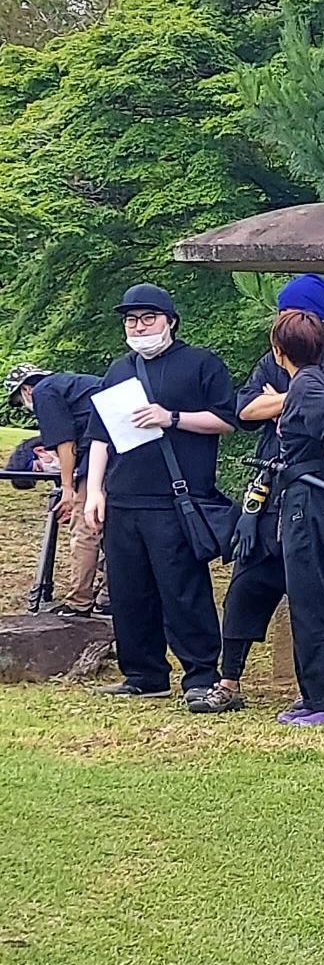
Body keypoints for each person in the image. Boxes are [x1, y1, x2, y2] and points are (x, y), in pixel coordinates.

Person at [211, 276, 324, 715]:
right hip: (274, 490)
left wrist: (309, 421)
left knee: (320, 594)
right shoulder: (294, 368)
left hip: (318, 491)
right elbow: (246, 410)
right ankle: (230, 679)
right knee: (249, 584)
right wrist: (296, 397)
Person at [80, 283, 236, 706]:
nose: (139, 326)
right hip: (124, 497)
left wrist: (173, 417)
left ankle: (202, 673)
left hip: (175, 499)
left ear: (170, 321)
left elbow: (226, 418)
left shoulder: (201, 364)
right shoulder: (117, 370)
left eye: (148, 318)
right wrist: (94, 491)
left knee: (182, 589)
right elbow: (99, 436)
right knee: (129, 591)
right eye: (131, 320)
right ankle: (144, 674)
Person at [6, 363, 104, 617]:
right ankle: (107, 597)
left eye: (20, 400)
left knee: (84, 528)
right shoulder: (72, 385)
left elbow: (64, 440)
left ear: (26, 389)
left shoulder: (43, 392)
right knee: (109, 526)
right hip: (121, 446)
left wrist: (69, 489)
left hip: (108, 450)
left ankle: (78, 603)